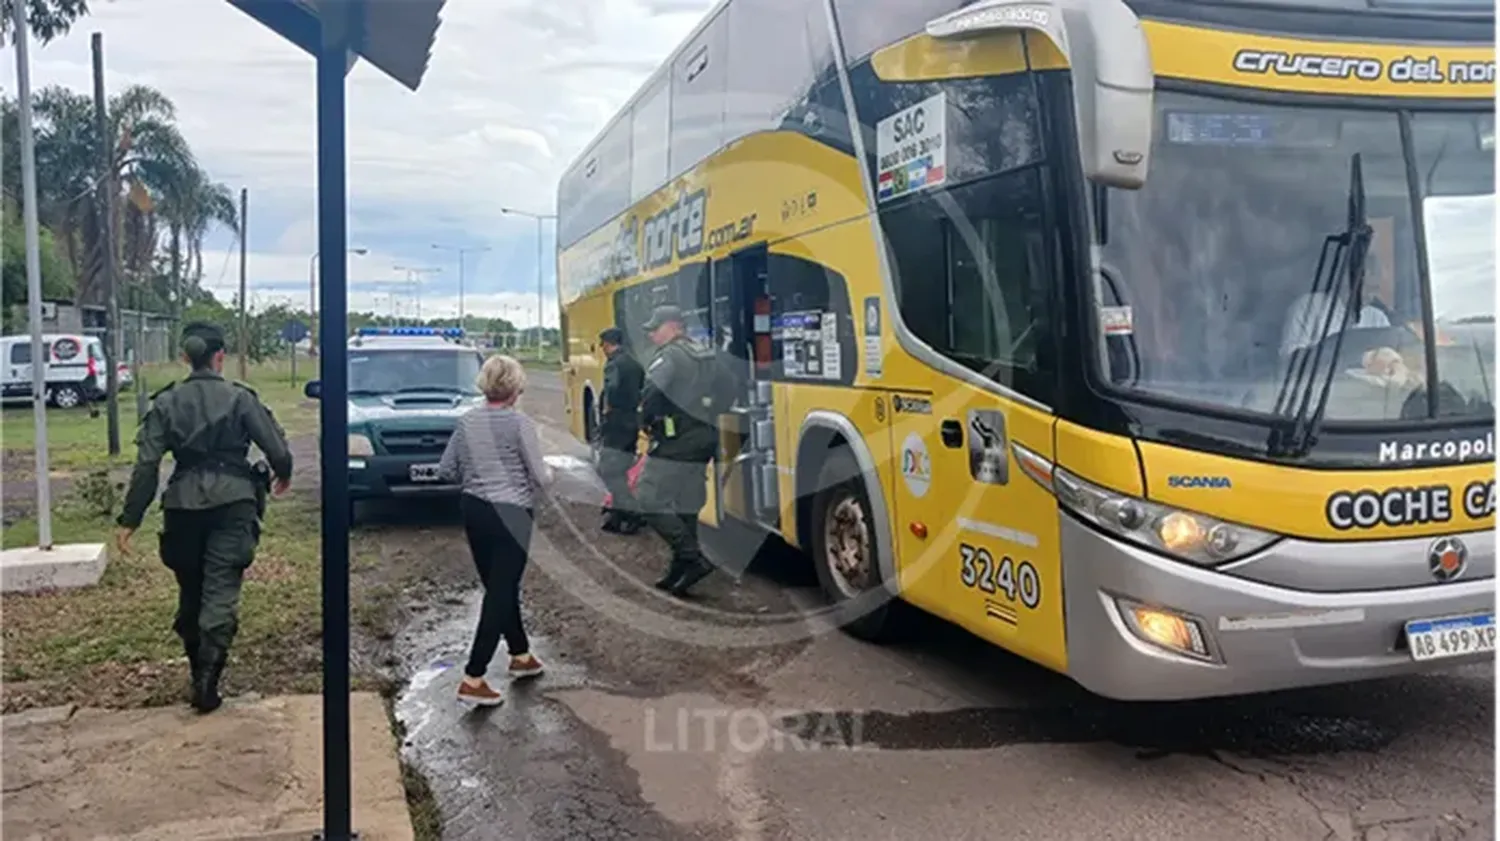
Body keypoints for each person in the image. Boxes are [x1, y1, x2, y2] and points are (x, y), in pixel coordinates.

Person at [114, 322, 293, 713]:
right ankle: (207, 683)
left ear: (184, 358)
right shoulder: (240, 398)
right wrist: (284, 473)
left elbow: (146, 466)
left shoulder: (166, 402)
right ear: (219, 357)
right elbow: (276, 448)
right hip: (233, 504)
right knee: (220, 589)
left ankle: (198, 671)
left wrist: (130, 519)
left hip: (182, 506)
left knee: (191, 591)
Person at [437, 353, 554, 707]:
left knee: (499, 587)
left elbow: (447, 470)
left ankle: (520, 655)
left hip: (475, 509)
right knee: (501, 591)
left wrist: (475, 474)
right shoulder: (520, 425)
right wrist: (552, 475)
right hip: (512, 512)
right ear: (516, 388)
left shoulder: (467, 422)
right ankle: (474, 676)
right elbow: (539, 475)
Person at [636, 305, 719, 597]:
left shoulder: (670, 356)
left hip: (676, 442)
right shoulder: (706, 354)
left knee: (648, 498)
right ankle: (681, 571)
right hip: (704, 439)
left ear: (673, 326)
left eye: (655, 328)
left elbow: (652, 393)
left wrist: (647, 422)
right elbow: (729, 389)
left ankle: (692, 556)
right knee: (686, 506)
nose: (651, 334)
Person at [597, 326, 645, 535]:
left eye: (603, 345)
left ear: (608, 344)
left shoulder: (614, 364)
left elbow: (612, 390)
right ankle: (616, 517)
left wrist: (607, 406)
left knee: (607, 470)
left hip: (616, 423)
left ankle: (633, 512)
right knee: (620, 469)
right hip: (632, 421)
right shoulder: (635, 364)